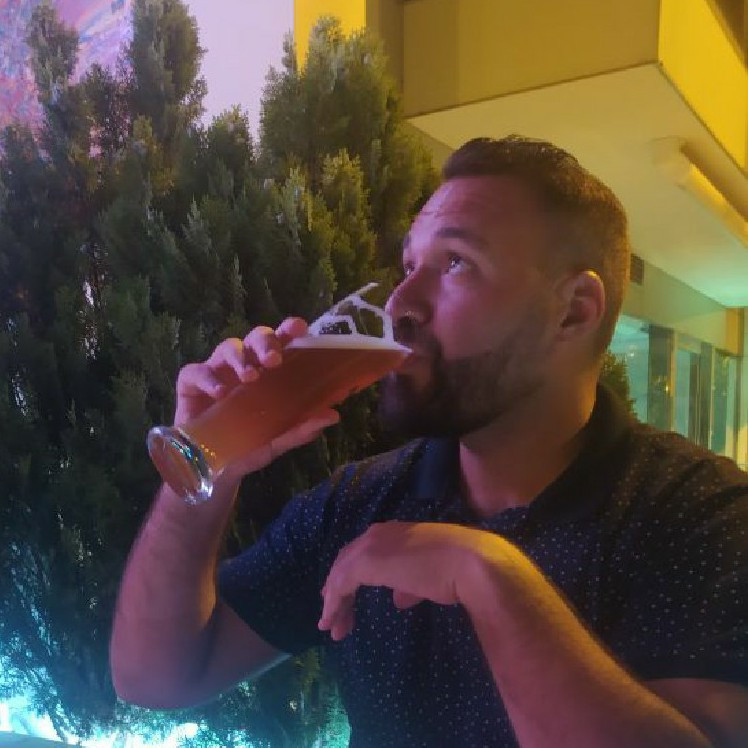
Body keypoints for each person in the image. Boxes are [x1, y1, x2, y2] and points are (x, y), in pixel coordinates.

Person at [110, 136, 748, 747]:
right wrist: (207, 468)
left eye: (456, 263)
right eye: (409, 266)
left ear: (574, 311)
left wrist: (491, 578)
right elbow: (155, 677)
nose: (401, 304)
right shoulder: (359, 504)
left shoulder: (703, 516)